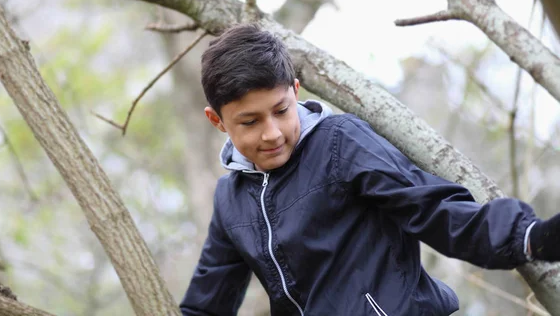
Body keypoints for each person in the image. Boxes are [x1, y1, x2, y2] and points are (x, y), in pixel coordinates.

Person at [180, 23, 560, 315]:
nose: (272, 133)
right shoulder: (231, 201)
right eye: (250, 122)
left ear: (295, 91)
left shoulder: (340, 143)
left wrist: (529, 236)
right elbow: (205, 306)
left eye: (281, 111)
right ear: (217, 121)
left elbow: (431, 208)